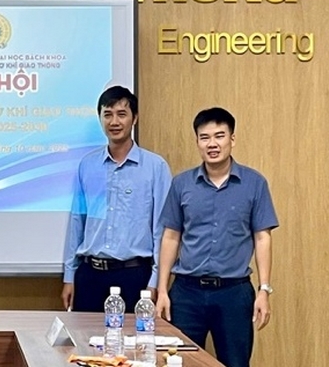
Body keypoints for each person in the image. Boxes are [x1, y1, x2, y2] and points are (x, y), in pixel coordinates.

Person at [155, 107, 278, 367]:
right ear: (197, 142)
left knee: (235, 363)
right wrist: (163, 290)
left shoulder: (254, 183)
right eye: (204, 137)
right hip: (186, 292)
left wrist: (264, 290)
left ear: (232, 139)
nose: (212, 144)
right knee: (179, 362)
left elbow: (262, 238)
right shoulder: (182, 184)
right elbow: (171, 237)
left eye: (219, 136)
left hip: (233, 293)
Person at [61, 85, 172, 312]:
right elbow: (77, 222)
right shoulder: (87, 165)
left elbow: (162, 229)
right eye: (107, 114)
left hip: (135, 277)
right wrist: (69, 275)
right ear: (100, 118)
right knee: (87, 345)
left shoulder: (155, 167)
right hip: (90, 275)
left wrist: (155, 282)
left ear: (135, 118)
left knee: (134, 346)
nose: (114, 122)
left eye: (122, 114)